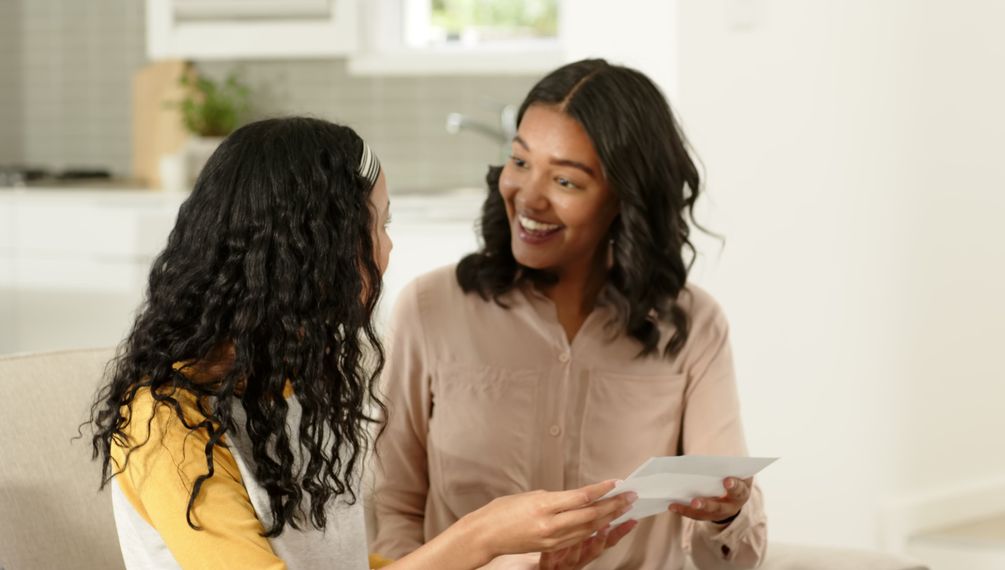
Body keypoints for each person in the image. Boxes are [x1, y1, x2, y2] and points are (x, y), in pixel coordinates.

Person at [88, 117, 638, 570]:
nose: (389, 247)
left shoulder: (296, 389)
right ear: (311, 253)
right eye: (378, 225)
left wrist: (518, 560)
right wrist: (480, 536)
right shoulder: (162, 422)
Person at [372, 59, 767, 569]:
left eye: (566, 181)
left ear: (626, 200)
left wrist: (724, 515)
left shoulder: (693, 326)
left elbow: (733, 560)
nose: (528, 197)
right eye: (520, 162)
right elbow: (394, 510)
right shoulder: (432, 308)